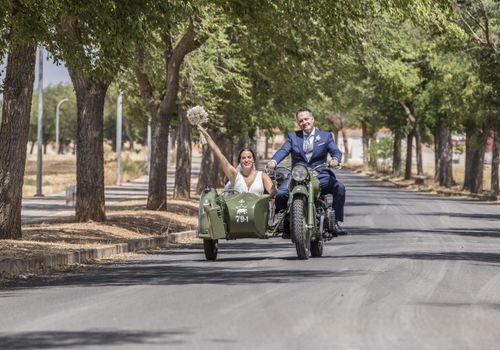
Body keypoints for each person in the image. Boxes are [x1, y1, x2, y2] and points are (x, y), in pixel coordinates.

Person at [267, 107, 347, 235]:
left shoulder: (326, 136)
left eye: (306, 119)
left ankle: (335, 222)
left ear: (312, 119)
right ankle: (282, 220)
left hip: (320, 175)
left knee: (340, 188)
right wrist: (274, 161)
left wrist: (335, 159)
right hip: (297, 175)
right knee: (281, 194)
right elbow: (283, 150)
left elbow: (335, 151)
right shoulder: (293, 137)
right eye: (301, 120)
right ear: (298, 123)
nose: (304, 122)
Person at [197, 125, 275, 196]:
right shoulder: (235, 175)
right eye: (243, 158)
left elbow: (273, 192)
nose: (246, 160)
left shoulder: (262, 176)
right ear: (240, 161)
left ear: (254, 160)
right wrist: (205, 134)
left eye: (249, 157)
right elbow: (220, 155)